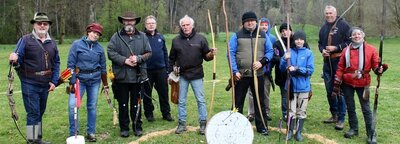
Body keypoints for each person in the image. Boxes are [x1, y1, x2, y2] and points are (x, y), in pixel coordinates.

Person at [9, 12, 60, 144]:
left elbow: (56, 62)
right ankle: (32, 141)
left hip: (45, 83)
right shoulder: (25, 40)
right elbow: (17, 60)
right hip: (29, 82)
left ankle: (36, 139)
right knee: (33, 113)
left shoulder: (52, 43)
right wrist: (14, 59)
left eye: (45, 24)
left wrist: (54, 81)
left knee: (40, 111)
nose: (42, 26)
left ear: (48, 26)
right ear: (34, 25)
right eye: (39, 23)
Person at [334, 27, 387, 143]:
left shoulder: (371, 49)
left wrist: (380, 69)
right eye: (354, 34)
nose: (356, 36)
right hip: (347, 83)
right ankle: (354, 128)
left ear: (363, 36)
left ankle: (371, 134)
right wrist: (337, 80)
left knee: (366, 109)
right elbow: (341, 67)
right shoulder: (345, 50)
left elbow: (375, 67)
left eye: (359, 34)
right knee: (350, 107)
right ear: (351, 37)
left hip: (363, 83)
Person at [169, 15, 216, 135]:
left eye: (187, 25)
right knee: (181, 100)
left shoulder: (201, 39)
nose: (185, 27)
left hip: (197, 74)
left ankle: (203, 123)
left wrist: (211, 54)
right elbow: (171, 59)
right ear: (181, 26)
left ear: (192, 25)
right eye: (183, 25)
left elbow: (207, 56)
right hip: (182, 75)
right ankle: (182, 123)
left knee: (200, 100)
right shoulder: (176, 41)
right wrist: (171, 71)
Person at [107, 11, 152, 137]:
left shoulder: (143, 36)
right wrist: (124, 60)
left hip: (138, 77)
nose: (128, 22)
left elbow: (149, 52)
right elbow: (110, 52)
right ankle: (124, 128)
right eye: (126, 20)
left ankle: (137, 127)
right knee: (123, 104)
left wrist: (138, 58)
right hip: (122, 77)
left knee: (136, 103)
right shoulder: (116, 37)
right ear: (122, 22)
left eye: (131, 20)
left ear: (135, 22)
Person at [228, 11, 273, 135]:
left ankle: (262, 126)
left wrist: (262, 62)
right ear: (243, 23)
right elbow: (230, 53)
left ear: (256, 22)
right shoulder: (237, 36)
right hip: (241, 75)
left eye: (252, 20)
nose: (250, 23)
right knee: (237, 102)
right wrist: (234, 71)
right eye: (247, 21)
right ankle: (234, 126)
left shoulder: (263, 34)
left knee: (260, 101)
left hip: (258, 74)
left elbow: (269, 51)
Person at [66, 22, 108, 142]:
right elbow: (70, 64)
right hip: (79, 80)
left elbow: (103, 67)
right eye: (94, 32)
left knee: (92, 106)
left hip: (94, 80)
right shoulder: (76, 45)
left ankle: (91, 132)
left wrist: (105, 84)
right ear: (88, 32)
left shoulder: (100, 48)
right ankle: (73, 132)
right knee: (72, 106)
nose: (96, 35)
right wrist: (72, 79)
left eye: (98, 34)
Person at [318, 5, 351, 130]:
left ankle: (341, 119)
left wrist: (336, 48)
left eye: (330, 13)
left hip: (340, 62)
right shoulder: (323, 28)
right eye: (326, 13)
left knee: (340, 91)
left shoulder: (344, 25)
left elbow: (350, 42)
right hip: (327, 63)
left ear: (335, 13)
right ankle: (334, 115)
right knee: (329, 90)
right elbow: (320, 44)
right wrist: (322, 51)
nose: (328, 15)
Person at [280, 31, 314, 141]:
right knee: (291, 110)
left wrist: (297, 68)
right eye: (297, 39)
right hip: (290, 86)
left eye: (301, 39)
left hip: (304, 87)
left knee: (301, 111)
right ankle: (290, 131)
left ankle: (298, 132)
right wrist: (284, 59)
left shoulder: (308, 53)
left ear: (304, 40)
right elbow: (281, 68)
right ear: (294, 40)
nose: (299, 41)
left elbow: (310, 70)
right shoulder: (289, 52)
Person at [142, 15, 174, 122]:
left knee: (163, 92)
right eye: (149, 23)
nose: (151, 25)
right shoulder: (142, 37)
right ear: (145, 25)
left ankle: (166, 113)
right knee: (147, 93)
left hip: (161, 70)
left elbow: (165, 53)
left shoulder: (161, 37)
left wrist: (167, 69)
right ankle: (149, 113)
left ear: (156, 25)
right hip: (147, 70)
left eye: (153, 23)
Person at [247, 17, 276, 122]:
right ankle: (251, 113)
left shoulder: (272, 38)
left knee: (265, 92)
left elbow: (273, 54)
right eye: (262, 25)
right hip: (254, 69)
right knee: (251, 92)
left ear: (269, 26)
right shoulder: (254, 36)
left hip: (266, 70)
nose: (264, 27)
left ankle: (266, 112)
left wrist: (269, 64)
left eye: (266, 25)